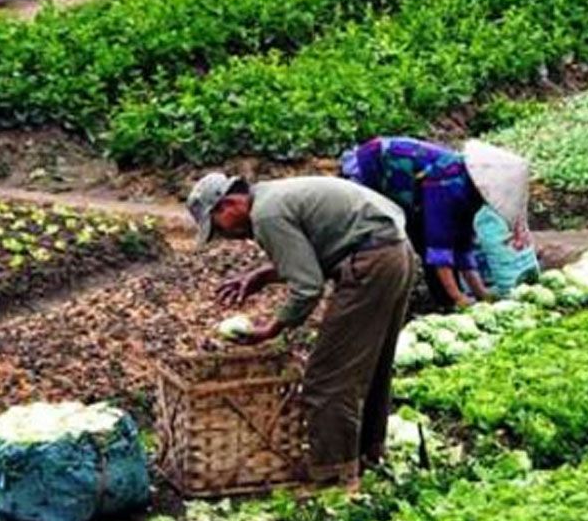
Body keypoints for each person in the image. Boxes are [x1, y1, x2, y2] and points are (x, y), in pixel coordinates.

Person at [192, 172, 420, 488]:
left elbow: (307, 287)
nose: (226, 236)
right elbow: (320, 248)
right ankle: (368, 455)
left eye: (218, 227)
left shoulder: (266, 214)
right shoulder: (273, 194)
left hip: (372, 262)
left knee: (327, 378)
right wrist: (265, 275)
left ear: (228, 204)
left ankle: (335, 476)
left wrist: (273, 328)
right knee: (372, 367)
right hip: (396, 252)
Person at [339, 137, 533, 310]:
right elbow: (438, 242)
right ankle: (375, 299)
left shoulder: (471, 193)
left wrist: (481, 293)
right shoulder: (449, 184)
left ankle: (446, 299)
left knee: (437, 240)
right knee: (393, 240)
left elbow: (462, 242)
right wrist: (458, 297)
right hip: (376, 169)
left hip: (412, 189)